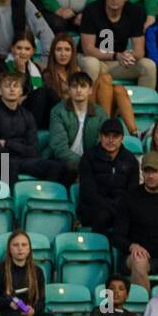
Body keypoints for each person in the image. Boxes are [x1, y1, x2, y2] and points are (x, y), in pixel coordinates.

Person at [0, 72, 70, 184]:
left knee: (58, 166)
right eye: (7, 86)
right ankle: (12, 199)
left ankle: (45, 197)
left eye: (16, 86)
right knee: (10, 164)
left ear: (21, 91)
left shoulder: (27, 115)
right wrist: (20, 149)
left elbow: (34, 151)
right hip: (2, 161)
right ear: (0, 91)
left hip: (25, 161)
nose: (12, 89)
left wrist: (8, 143)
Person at [44, 33, 136, 135]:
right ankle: (106, 128)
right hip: (71, 112)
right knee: (105, 78)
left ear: (72, 52)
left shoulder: (76, 70)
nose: (63, 54)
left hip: (85, 106)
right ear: (53, 52)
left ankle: (135, 132)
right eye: (59, 50)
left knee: (119, 89)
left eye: (67, 50)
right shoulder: (48, 74)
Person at [79, 0, 158, 90]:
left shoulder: (135, 12)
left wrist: (128, 56)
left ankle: (143, 105)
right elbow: (88, 49)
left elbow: (139, 51)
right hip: (92, 59)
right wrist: (116, 55)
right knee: (91, 64)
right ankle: (92, 106)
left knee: (148, 65)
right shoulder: (91, 10)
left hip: (116, 62)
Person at [0, 229, 55, 316]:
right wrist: (9, 303)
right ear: (9, 248)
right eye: (15, 245)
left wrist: (33, 310)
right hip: (8, 313)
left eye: (24, 245)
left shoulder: (38, 271)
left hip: (30, 313)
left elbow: (41, 300)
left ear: (29, 249)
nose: (20, 248)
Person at [77, 118, 136, 232]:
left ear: (122, 138)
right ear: (100, 136)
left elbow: (132, 191)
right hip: (94, 208)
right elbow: (88, 193)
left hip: (121, 208)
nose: (110, 140)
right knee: (104, 216)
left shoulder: (130, 159)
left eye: (115, 136)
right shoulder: (89, 158)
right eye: (107, 135)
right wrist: (114, 208)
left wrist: (120, 207)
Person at [113, 151, 158, 295]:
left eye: (155, 171)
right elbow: (117, 236)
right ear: (142, 173)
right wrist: (132, 246)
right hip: (134, 257)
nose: (150, 176)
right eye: (147, 171)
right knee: (139, 261)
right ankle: (147, 314)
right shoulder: (130, 198)